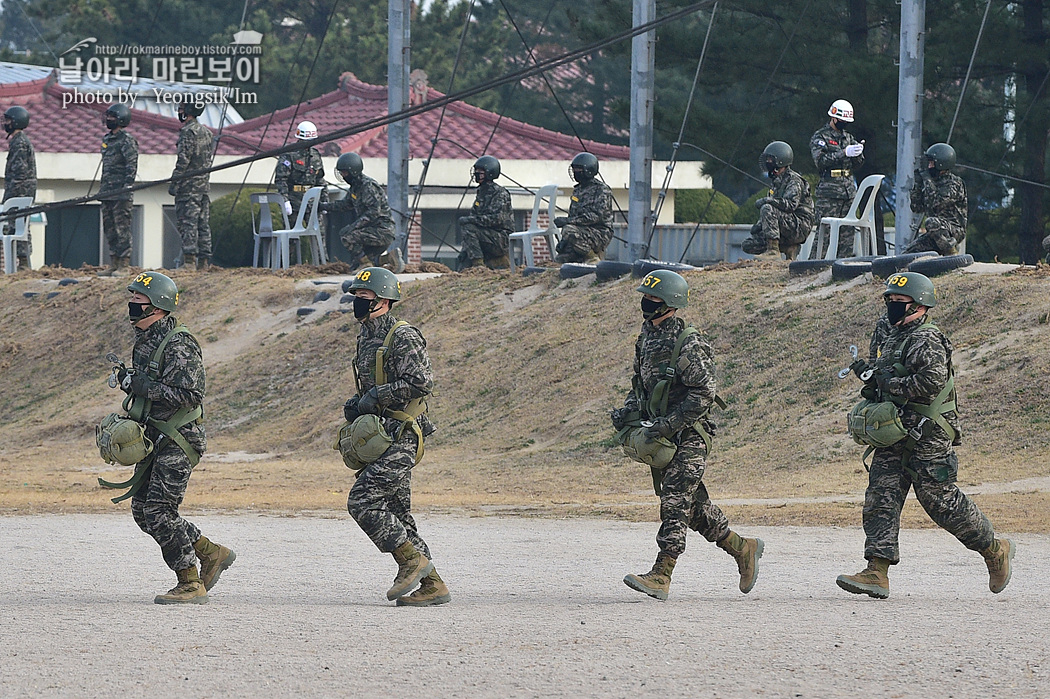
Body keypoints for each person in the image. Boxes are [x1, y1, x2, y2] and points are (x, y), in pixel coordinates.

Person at [837, 272, 1014, 599]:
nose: (891, 307)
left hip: (929, 432)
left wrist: (888, 385)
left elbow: (929, 383)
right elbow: (883, 371)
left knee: (939, 500)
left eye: (898, 302)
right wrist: (871, 378)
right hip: (895, 428)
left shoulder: (928, 339)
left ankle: (994, 550)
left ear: (918, 305)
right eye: (889, 300)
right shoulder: (888, 332)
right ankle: (877, 570)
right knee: (881, 493)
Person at [613, 270, 764, 601]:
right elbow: (640, 385)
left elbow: (705, 393)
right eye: (646, 298)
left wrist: (670, 424)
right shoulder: (647, 337)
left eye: (653, 299)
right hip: (663, 434)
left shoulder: (688, 342)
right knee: (692, 507)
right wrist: (628, 413)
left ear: (670, 303)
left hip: (691, 433)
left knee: (675, 500)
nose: (646, 304)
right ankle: (743, 549)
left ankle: (662, 573)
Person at [118, 271, 236, 604]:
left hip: (179, 437)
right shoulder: (145, 339)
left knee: (158, 510)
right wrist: (131, 383)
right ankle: (210, 552)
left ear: (156, 306)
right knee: (142, 511)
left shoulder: (179, 343)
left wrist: (145, 387)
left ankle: (190, 581)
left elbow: (192, 394)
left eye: (138, 301)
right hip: (154, 436)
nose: (132, 305)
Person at [343, 267, 447, 606]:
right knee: (397, 512)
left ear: (383, 300)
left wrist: (379, 395)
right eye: (356, 296)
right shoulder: (366, 335)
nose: (357, 302)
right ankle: (432, 585)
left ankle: (410, 562)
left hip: (403, 433)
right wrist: (359, 403)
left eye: (364, 297)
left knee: (363, 500)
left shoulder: (402, 335)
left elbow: (421, 382)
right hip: (382, 433)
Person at [318, 152, 399, 272]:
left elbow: (373, 213)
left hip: (382, 231)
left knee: (347, 235)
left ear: (353, 171)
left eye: (345, 173)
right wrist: (323, 206)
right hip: (371, 231)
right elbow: (345, 204)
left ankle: (366, 264)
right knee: (355, 265)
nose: (343, 176)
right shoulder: (355, 187)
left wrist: (354, 226)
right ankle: (389, 258)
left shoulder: (368, 187)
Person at [741, 141, 814, 260]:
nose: (767, 162)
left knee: (767, 208)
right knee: (749, 244)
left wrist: (767, 200)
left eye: (770, 159)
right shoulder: (776, 182)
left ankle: (773, 251)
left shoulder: (794, 180)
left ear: (781, 160)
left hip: (799, 225)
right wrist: (758, 226)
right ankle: (787, 248)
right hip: (786, 225)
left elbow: (790, 205)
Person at [810, 99, 865, 258]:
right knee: (824, 234)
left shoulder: (848, 137)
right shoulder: (821, 137)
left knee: (847, 235)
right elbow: (820, 162)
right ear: (833, 118)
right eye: (842, 121)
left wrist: (858, 153)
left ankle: (843, 267)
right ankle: (812, 267)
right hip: (829, 193)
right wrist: (843, 153)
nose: (844, 124)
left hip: (848, 191)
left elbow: (857, 165)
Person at [170, 100, 214, 270]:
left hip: (188, 188)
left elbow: (183, 160)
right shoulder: (207, 132)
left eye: (181, 108)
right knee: (203, 224)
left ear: (188, 111)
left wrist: (175, 182)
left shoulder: (188, 132)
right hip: (203, 187)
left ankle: (189, 262)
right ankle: (204, 262)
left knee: (188, 223)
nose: (179, 111)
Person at [274, 120, 327, 262]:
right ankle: (285, 265)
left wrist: (324, 201)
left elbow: (320, 180)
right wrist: (285, 201)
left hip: (312, 201)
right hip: (294, 200)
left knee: (319, 234)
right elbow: (281, 179)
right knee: (290, 235)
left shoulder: (315, 155)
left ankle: (323, 263)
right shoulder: (289, 154)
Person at [904, 143, 967, 256]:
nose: (929, 166)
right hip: (935, 233)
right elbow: (916, 208)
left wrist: (927, 179)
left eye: (932, 163)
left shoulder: (954, 183)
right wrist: (917, 185)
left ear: (941, 163)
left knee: (931, 222)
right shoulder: (932, 183)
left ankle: (950, 253)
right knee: (907, 254)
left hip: (953, 230)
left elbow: (937, 202)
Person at [98, 103, 138, 277]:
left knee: (122, 228)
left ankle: (124, 264)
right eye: (108, 116)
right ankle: (113, 262)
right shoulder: (107, 139)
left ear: (121, 119)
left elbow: (131, 165)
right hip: (107, 191)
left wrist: (127, 186)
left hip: (121, 193)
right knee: (110, 228)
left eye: (112, 117)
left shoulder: (127, 140)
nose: (108, 120)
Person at [553, 152, 613, 264]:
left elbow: (595, 217)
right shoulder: (578, 190)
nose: (576, 173)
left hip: (599, 233)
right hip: (580, 233)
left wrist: (567, 222)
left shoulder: (601, 190)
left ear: (589, 170)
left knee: (569, 229)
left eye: (579, 170)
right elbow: (573, 215)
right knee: (560, 261)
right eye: (574, 170)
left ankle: (592, 258)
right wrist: (564, 242)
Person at [457, 155, 514, 270]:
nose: (477, 175)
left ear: (490, 173)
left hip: (500, 239)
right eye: (476, 172)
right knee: (463, 265)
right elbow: (474, 218)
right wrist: (465, 250)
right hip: (486, 237)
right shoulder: (481, 193)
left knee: (469, 226)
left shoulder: (500, 193)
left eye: (481, 172)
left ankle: (479, 266)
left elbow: (497, 219)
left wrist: (470, 220)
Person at [2, 105, 36, 271]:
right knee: (14, 226)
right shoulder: (16, 141)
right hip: (16, 191)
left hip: (20, 191)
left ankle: (23, 263)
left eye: (8, 120)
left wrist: (9, 197)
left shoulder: (20, 142)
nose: (5, 124)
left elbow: (19, 173)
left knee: (19, 225)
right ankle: (20, 263)